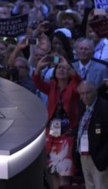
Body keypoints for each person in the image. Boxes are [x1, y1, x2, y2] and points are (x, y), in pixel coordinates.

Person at [33, 55, 82, 188]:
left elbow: (80, 83)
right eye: (59, 67)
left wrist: (68, 65)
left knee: (64, 176)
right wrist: (38, 68)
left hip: (67, 135)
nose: (61, 70)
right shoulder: (52, 86)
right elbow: (37, 82)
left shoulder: (74, 87)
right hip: (51, 134)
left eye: (65, 68)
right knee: (53, 174)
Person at [75, 80, 108, 189]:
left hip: (100, 156)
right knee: (89, 186)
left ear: (95, 92)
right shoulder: (82, 105)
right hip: (84, 154)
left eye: (88, 92)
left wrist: (106, 156)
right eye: (82, 94)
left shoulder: (106, 107)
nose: (85, 96)